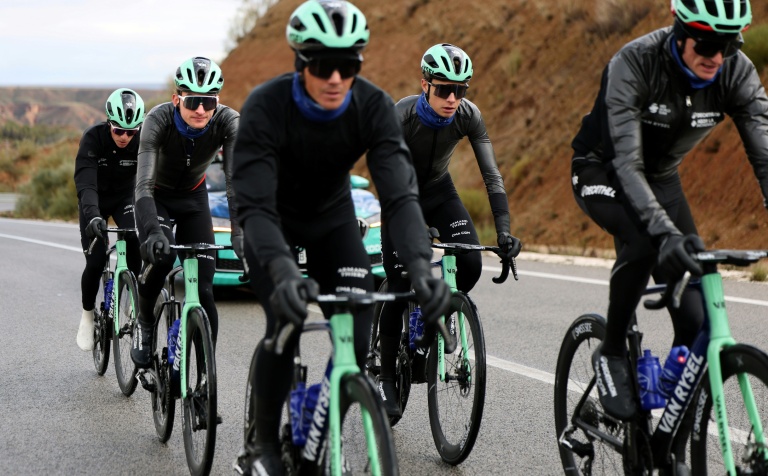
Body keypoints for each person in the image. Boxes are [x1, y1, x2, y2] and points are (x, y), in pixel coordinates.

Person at [231, 1, 451, 474]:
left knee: (359, 318)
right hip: (274, 223)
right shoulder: (266, 106)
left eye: (348, 66)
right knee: (284, 323)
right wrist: (284, 270)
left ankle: (324, 414)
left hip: (332, 219)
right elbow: (254, 206)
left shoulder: (371, 105)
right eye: (322, 65)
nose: (335, 78)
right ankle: (262, 445)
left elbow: (399, 198)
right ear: (300, 63)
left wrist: (420, 267)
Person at [571, 0, 768, 421]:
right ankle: (610, 354)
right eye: (707, 44)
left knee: (699, 322)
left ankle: (659, 415)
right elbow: (626, 164)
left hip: (661, 179)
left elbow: (765, 157)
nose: (716, 57)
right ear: (679, 32)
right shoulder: (635, 62)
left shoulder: (735, 71)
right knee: (645, 239)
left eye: (729, 44)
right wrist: (664, 234)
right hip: (602, 168)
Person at [376, 43, 522, 416]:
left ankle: (431, 312)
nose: (453, 98)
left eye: (461, 90)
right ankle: (388, 379)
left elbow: (492, 176)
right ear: (425, 85)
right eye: (444, 89)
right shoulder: (402, 115)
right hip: (400, 194)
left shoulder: (469, 116)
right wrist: (412, 223)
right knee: (397, 283)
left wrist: (504, 230)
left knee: (470, 264)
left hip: (440, 191)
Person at [131, 57, 242, 370]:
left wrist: (241, 234)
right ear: (177, 99)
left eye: (209, 102)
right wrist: (152, 230)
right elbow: (143, 186)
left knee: (205, 290)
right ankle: (145, 322)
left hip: (194, 198)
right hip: (157, 196)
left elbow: (236, 186)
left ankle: (206, 380)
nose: (201, 110)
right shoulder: (158, 119)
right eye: (193, 101)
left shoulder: (228, 122)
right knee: (162, 258)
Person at [74, 88, 145, 351]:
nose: (125, 137)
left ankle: (130, 299)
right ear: (109, 123)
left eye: (132, 132)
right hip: (95, 201)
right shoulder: (93, 139)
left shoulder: (141, 141)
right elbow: (85, 184)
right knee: (95, 262)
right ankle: (88, 314)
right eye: (118, 131)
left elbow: (150, 181)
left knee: (136, 238)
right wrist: (93, 216)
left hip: (125, 198)